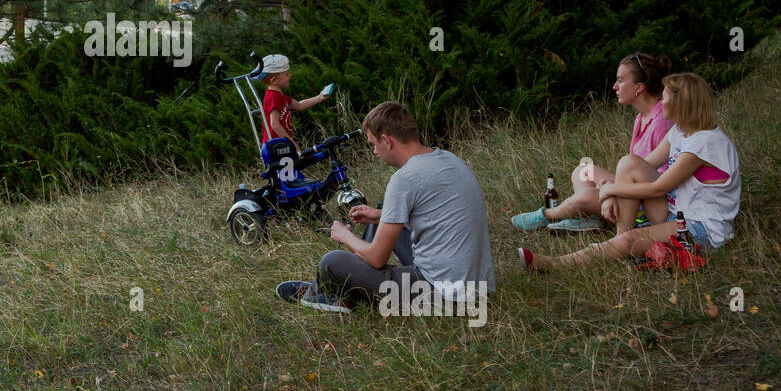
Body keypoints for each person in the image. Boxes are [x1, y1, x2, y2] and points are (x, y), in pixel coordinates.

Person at [275, 101, 495, 313]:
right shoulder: (448, 158)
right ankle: (347, 282)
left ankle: (321, 292)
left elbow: (377, 258)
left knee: (330, 261)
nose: (374, 152)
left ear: (386, 141)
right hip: (474, 288)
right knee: (385, 212)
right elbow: (439, 215)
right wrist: (380, 215)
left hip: (440, 294)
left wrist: (345, 236)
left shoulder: (405, 179)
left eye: (373, 144)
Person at [519, 72, 740, 271]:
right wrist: (612, 192)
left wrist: (610, 190)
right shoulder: (679, 132)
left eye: (665, 97)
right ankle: (619, 241)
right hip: (676, 211)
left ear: (681, 102)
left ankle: (554, 264)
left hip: (701, 228)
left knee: (633, 238)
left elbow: (658, 188)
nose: (661, 101)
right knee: (628, 163)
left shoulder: (706, 143)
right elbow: (641, 165)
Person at [511, 52, 673, 233]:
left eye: (620, 80)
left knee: (586, 196)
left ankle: (547, 215)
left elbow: (661, 180)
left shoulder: (662, 122)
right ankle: (588, 219)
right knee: (583, 170)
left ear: (639, 88)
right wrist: (611, 187)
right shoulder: (641, 117)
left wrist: (613, 189)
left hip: (648, 201)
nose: (614, 86)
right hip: (632, 186)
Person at [255, 54, 328, 144]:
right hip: (276, 146)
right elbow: (274, 124)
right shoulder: (273, 97)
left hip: (282, 143)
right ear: (274, 80)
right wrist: (291, 142)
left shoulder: (279, 95)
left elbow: (299, 105)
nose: (290, 75)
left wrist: (320, 97)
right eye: (286, 74)